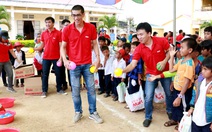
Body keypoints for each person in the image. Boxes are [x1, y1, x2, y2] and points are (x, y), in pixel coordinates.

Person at [123, 22, 172, 127]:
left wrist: (164, 61)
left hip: (165, 73)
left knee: (168, 93)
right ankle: (148, 117)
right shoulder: (139, 48)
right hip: (150, 74)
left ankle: (170, 111)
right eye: (138, 35)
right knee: (148, 96)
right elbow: (133, 64)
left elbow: (170, 50)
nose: (139, 37)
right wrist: (123, 71)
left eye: (141, 34)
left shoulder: (161, 41)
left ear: (149, 33)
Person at [60, 5, 103, 124]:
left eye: (78, 14)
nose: (76, 17)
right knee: (75, 91)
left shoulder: (90, 28)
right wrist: (65, 60)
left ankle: (93, 112)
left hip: (88, 64)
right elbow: (63, 47)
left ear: (83, 15)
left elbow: (95, 44)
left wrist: (98, 58)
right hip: (74, 65)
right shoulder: (67, 29)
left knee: (91, 90)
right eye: (73, 15)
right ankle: (78, 112)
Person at [34, 16, 67, 98]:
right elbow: (43, 44)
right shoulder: (43, 33)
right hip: (46, 57)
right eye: (46, 22)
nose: (47, 24)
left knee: (58, 74)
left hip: (56, 58)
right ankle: (44, 91)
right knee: (45, 74)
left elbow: (61, 46)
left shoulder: (59, 33)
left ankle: (59, 89)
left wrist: (61, 58)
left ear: (53, 23)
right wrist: (37, 48)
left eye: (49, 22)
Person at [188, 56, 212, 132]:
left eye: (205, 69)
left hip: (207, 121)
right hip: (196, 116)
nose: (202, 71)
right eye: (202, 68)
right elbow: (194, 95)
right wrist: (192, 107)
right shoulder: (199, 82)